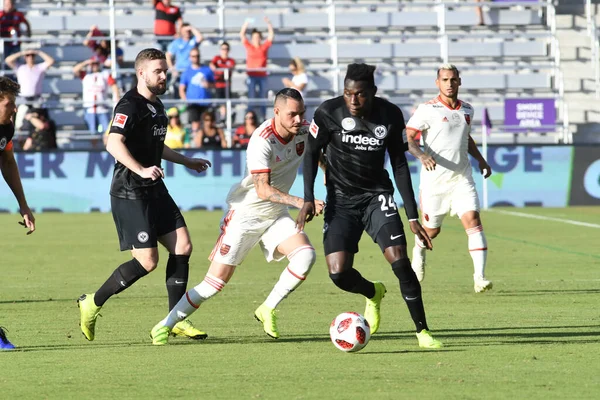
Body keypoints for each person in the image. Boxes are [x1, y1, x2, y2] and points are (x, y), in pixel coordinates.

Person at [150, 88, 324, 345]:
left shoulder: (304, 130)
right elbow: (263, 189)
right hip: (246, 214)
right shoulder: (262, 140)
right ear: (276, 112)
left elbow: (320, 155)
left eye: (301, 113)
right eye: (292, 115)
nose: (298, 120)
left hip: (275, 214)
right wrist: (302, 202)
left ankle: (267, 308)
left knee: (306, 255)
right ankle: (164, 325)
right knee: (213, 284)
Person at [297, 63, 442, 349]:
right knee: (338, 273)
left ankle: (423, 331)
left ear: (373, 92)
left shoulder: (390, 115)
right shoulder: (328, 112)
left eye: (360, 94)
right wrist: (306, 199)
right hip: (341, 200)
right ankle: (373, 292)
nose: (353, 100)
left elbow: (400, 165)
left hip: (377, 197)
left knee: (399, 260)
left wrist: (412, 217)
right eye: (348, 93)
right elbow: (311, 153)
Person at [77, 48, 212, 342]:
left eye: (165, 71)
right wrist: (139, 168)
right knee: (148, 261)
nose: (164, 76)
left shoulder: (157, 106)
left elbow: (156, 145)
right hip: (129, 190)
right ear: (141, 73)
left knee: (183, 246)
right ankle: (92, 302)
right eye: (158, 71)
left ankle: (173, 319)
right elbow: (113, 143)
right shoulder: (129, 105)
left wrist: (186, 160)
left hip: (153, 187)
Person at [405, 63, 493, 293]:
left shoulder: (467, 110)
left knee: (473, 220)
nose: (449, 84)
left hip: (462, 178)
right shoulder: (427, 109)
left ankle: (479, 277)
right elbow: (409, 138)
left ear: (459, 81)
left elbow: (466, 138)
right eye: (445, 80)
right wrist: (421, 155)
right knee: (431, 231)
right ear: (437, 83)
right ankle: (419, 252)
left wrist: (481, 160)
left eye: (453, 79)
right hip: (435, 182)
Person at [0, 76, 36, 350]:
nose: (14, 109)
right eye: (10, 104)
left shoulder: (6, 129)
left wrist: (23, 205)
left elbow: (8, 161)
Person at [73, 57, 120, 147]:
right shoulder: (85, 75)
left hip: (102, 109)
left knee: (108, 133)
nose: (94, 66)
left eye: (96, 64)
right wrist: (86, 62)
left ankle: (108, 150)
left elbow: (114, 85)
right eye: (93, 64)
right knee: (92, 134)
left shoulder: (105, 74)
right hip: (90, 109)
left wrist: (116, 97)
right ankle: (94, 151)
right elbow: (75, 70)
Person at [240, 17, 274, 119]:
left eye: (258, 37)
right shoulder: (249, 46)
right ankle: (249, 116)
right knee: (251, 96)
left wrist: (268, 23)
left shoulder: (263, 47)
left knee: (262, 97)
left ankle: (262, 116)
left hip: (262, 76)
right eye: (254, 37)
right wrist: (246, 23)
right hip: (251, 76)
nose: (256, 39)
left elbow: (271, 36)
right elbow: (242, 35)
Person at [179, 48, 214, 136]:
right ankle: (196, 143)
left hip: (205, 102)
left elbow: (214, 85)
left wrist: (208, 85)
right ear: (190, 57)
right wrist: (185, 100)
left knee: (207, 123)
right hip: (193, 102)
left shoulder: (207, 70)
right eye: (193, 56)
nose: (196, 58)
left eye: (197, 56)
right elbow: (181, 88)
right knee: (195, 124)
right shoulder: (187, 72)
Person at [166, 22, 203, 98]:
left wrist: (191, 27)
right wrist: (172, 68)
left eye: (188, 31)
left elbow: (200, 37)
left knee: (190, 91)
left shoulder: (193, 41)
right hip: (180, 71)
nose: (187, 33)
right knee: (179, 92)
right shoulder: (177, 42)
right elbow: (168, 55)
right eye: (185, 31)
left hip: (191, 71)